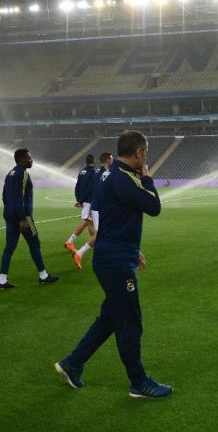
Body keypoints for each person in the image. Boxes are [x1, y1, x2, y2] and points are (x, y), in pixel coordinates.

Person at [55, 130, 173, 398]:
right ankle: (138, 382)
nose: (147, 156)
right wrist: (148, 176)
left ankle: (73, 364)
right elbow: (154, 207)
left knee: (110, 317)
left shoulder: (108, 176)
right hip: (116, 262)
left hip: (113, 254)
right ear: (139, 153)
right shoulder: (124, 178)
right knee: (131, 322)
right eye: (146, 151)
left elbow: (108, 217)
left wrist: (132, 247)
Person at [0, 149, 59, 289]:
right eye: (29, 158)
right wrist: (23, 219)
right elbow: (20, 197)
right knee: (35, 244)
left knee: (9, 248)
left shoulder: (10, 173)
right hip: (25, 217)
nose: (32, 160)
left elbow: (4, 196)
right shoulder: (23, 174)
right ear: (21, 159)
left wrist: (10, 212)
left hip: (9, 215)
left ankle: (2, 280)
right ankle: (43, 276)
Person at [72, 152, 113, 269]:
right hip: (99, 207)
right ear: (107, 160)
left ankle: (103, 253)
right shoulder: (105, 173)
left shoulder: (96, 173)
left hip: (96, 206)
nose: (113, 161)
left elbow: (91, 190)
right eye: (111, 159)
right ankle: (79, 253)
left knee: (103, 232)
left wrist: (83, 201)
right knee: (101, 233)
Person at [64, 154, 97, 255]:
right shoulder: (93, 172)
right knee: (86, 221)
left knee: (89, 222)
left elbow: (77, 186)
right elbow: (90, 189)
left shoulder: (82, 172)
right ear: (93, 161)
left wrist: (79, 199)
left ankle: (94, 243)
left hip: (84, 201)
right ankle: (70, 241)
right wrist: (83, 200)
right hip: (90, 201)